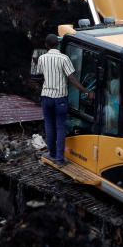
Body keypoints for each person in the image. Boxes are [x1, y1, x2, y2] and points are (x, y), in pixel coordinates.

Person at [37, 34, 87, 166]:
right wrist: (85, 91)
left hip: (46, 97)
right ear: (58, 45)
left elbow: (40, 75)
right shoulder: (64, 58)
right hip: (60, 99)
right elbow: (71, 78)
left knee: (49, 125)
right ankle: (59, 159)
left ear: (46, 45)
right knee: (60, 127)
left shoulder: (42, 58)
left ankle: (51, 153)